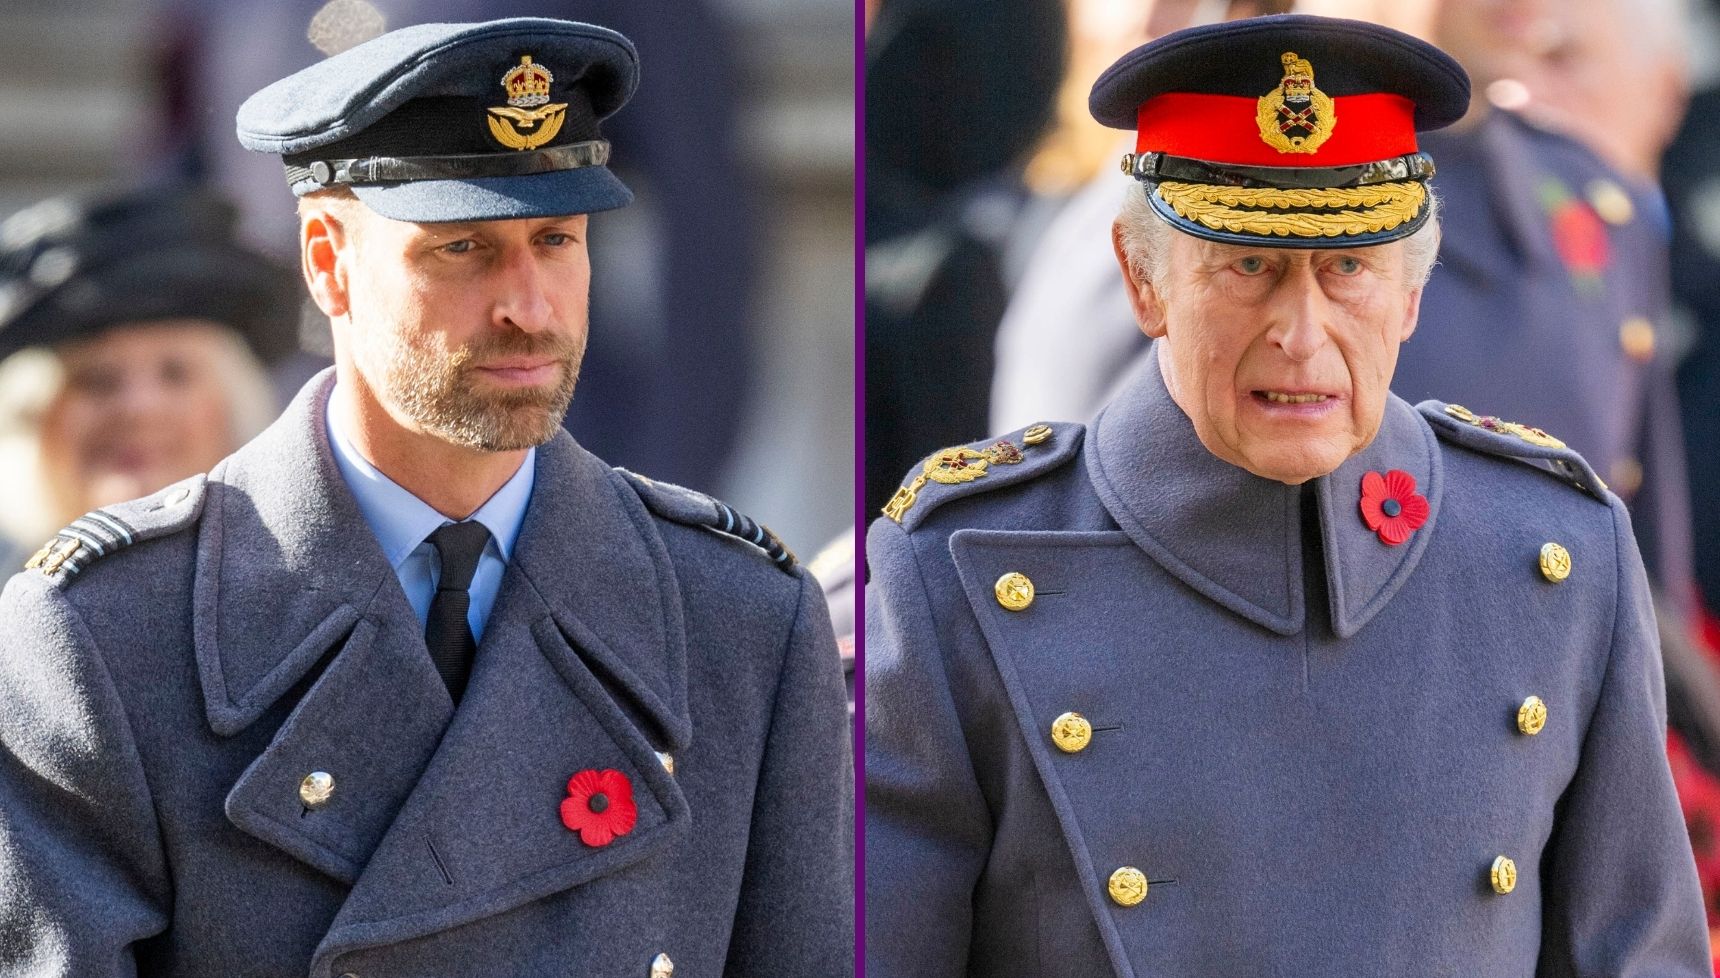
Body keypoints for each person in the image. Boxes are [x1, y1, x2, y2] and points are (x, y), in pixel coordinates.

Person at [0, 18, 851, 977]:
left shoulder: (741, 623)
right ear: (326, 261)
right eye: (462, 249)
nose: (528, 307)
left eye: (557, 240)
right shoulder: (99, 636)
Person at [867, 14, 1710, 976]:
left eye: (1347, 268)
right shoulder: (956, 567)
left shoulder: (1556, 551)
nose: (1301, 336)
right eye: (1249, 267)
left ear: (1409, 295)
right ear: (1143, 281)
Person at [0, 187, 295, 570]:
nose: (139, 408)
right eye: (98, 381)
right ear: (34, 417)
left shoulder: (301, 603)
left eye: (176, 374)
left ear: (234, 402)